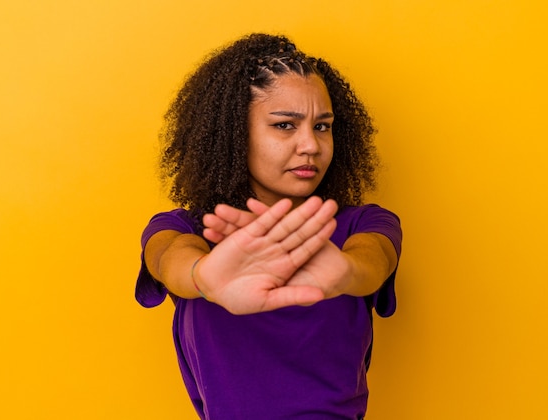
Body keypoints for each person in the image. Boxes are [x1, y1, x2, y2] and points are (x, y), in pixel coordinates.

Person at [136, 33, 402, 419]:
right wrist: (202, 276)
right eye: (284, 126)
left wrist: (345, 272)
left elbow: (373, 261)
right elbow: (169, 258)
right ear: (232, 133)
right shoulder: (188, 230)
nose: (311, 145)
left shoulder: (364, 225)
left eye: (323, 126)